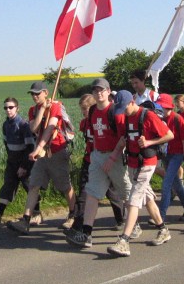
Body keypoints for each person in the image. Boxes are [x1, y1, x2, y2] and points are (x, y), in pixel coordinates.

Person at [66, 79, 134, 249]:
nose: (98, 93)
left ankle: (134, 225)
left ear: (109, 91)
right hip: (98, 156)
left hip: (115, 157)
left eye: (102, 90)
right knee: (92, 193)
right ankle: (86, 234)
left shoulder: (115, 112)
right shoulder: (93, 111)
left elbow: (123, 137)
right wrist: (95, 155)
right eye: (95, 91)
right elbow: (94, 135)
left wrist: (112, 157)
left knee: (127, 193)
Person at [107, 90, 174, 257]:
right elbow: (124, 140)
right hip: (132, 163)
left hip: (147, 163)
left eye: (124, 108)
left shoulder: (148, 116)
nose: (122, 112)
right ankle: (163, 230)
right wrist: (113, 157)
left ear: (132, 102)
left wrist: (150, 142)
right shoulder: (125, 116)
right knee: (147, 197)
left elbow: (169, 135)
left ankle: (124, 241)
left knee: (134, 200)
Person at [7, 81, 76, 233]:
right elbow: (33, 128)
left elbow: (50, 129)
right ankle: (25, 220)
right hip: (42, 154)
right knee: (34, 185)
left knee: (64, 186)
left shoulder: (56, 107)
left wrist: (38, 148)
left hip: (57, 151)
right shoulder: (34, 110)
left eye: (37, 93)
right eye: (32, 93)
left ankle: (73, 214)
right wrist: (42, 109)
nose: (34, 96)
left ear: (45, 92)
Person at [69, 94, 124, 234]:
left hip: (104, 159)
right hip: (89, 160)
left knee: (112, 192)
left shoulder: (101, 120)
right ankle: (78, 225)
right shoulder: (84, 123)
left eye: (86, 109)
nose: (84, 112)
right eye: (82, 110)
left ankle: (121, 218)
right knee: (84, 192)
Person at [0, 97, 37, 229]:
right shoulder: (6, 125)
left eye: (11, 107)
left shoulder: (23, 125)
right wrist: (11, 161)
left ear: (17, 108)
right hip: (12, 161)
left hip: (25, 160)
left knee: (29, 187)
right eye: (5, 108)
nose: (8, 110)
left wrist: (24, 166)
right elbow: (6, 144)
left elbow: (30, 147)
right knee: (8, 186)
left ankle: (35, 214)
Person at [156, 93, 184, 222]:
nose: (161, 109)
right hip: (166, 155)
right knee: (176, 185)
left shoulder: (177, 119)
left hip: (177, 155)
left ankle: (160, 216)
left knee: (166, 184)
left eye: (163, 107)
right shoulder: (160, 119)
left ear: (169, 108)